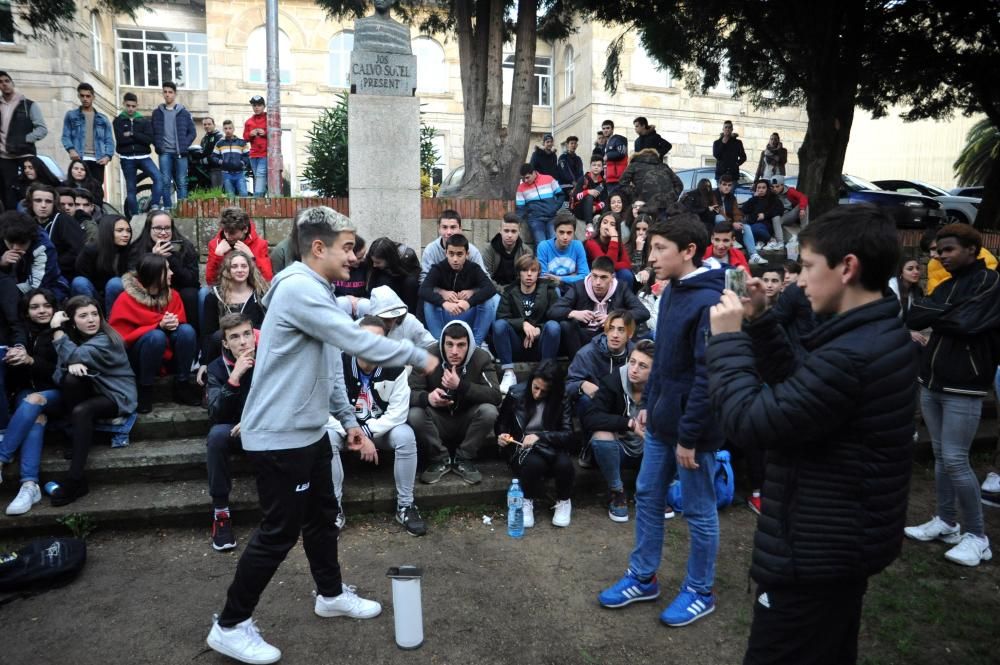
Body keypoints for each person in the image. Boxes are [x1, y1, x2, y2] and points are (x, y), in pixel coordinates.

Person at [205, 206, 436, 665]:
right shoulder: (296, 289)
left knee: (321, 517)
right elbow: (355, 341)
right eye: (347, 247)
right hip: (278, 436)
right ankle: (230, 625)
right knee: (278, 531)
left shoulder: (318, 292)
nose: (355, 257)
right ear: (318, 247)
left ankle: (330, 594)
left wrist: (350, 423)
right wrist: (419, 354)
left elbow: (331, 368)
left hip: (306, 432)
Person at [706, 203, 919, 663]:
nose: (799, 281)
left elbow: (749, 421)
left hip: (814, 556)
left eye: (806, 267)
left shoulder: (853, 354)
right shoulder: (875, 332)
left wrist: (727, 339)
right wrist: (761, 323)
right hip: (838, 548)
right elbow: (804, 393)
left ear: (847, 268)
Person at [597, 213, 724, 628]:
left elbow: (708, 377)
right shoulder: (671, 291)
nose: (650, 255)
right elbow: (664, 359)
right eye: (650, 247)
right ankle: (643, 577)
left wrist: (688, 437)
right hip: (662, 423)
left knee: (700, 511)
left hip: (693, 434)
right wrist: (649, 402)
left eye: (659, 249)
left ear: (688, 252)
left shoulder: (708, 302)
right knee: (649, 496)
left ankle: (700, 590)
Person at [904, 223, 996, 568]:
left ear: (972, 250)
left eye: (949, 250)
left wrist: (940, 314)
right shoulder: (950, 283)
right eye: (939, 251)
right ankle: (946, 521)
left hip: (965, 383)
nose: (942, 256)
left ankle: (977, 537)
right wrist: (949, 313)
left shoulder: (990, 283)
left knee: (957, 459)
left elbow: (968, 324)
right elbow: (915, 314)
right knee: (942, 456)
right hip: (932, 380)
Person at [329, 316, 427, 537]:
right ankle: (333, 508)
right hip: (342, 431)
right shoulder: (337, 364)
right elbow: (323, 411)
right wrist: (353, 432)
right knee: (325, 437)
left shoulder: (396, 367)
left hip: (379, 431)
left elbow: (397, 414)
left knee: (405, 435)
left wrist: (364, 434)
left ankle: (406, 505)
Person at [49, 295, 138, 506]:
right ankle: (79, 435)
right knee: (71, 380)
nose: (91, 320)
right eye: (83, 316)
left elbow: (74, 355)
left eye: (94, 314)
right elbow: (57, 377)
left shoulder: (106, 338)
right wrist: (69, 365)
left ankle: (75, 479)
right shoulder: (74, 340)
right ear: (72, 321)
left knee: (82, 410)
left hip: (118, 395)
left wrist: (56, 330)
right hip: (96, 389)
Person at [410, 320, 500, 486]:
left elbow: (495, 396)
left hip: (467, 419)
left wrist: (461, 386)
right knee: (414, 414)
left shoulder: (481, 358)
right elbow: (408, 394)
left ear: (470, 344)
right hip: (437, 419)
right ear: (442, 343)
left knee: (489, 411)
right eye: (449, 344)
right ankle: (439, 458)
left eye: (461, 345)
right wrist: (428, 398)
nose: (454, 351)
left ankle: (464, 458)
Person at [109, 254, 200, 413]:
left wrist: (173, 323)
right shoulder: (126, 299)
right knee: (155, 337)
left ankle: (182, 383)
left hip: (168, 354)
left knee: (187, 331)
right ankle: (145, 388)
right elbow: (120, 338)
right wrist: (158, 326)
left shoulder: (173, 295)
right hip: (139, 356)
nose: (172, 273)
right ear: (154, 273)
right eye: (167, 270)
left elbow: (181, 322)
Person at [496, 360, 576, 528]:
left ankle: (563, 501)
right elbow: (501, 423)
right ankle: (526, 501)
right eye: (535, 387)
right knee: (535, 464)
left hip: (550, 446)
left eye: (544, 391)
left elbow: (568, 434)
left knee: (565, 465)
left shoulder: (561, 398)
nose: (538, 394)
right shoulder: (515, 393)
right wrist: (502, 436)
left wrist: (540, 436)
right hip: (521, 446)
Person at [582, 339, 655, 522]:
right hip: (619, 447)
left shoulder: (662, 388)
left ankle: (650, 492)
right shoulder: (614, 380)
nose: (634, 369)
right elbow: (591, 418)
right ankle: (617, 492)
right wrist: (628, 423)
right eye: (632, 362)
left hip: (649, 448)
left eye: (642, 366)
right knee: (601, 436)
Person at [0, 289, 59, 515]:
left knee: (33, 400)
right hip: (27, 401)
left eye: (46, 305)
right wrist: (14, 360)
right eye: (35, 307)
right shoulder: (21, 335)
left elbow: (61, 374)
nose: (42, 310)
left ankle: (1, 458)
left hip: (58, 394)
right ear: (26, 312)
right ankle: (29, 485)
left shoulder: (62, 331)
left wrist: (31, 360)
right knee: (35, 415)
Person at [204, 312, 257, 551]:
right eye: (235, 337)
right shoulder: (216, 368)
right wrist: (234, 377)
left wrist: (253, 420)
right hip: (232, 431)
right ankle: (221, 513)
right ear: (225, 343)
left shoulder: (270, 359)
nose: (243, 341)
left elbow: (285, 400)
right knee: (216, 435)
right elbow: (216, 414)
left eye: (247, 334)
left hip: (265, 427)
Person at [549, 256, 649, 358]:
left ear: (612, 277)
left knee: (626, 324)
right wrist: (573, 313)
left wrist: (613, 317)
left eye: (603, 277)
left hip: (607, 336)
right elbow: (553, 310)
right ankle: (577, 362)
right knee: (566, 324)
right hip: (582, 336)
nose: (597, 282)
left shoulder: (621, 288)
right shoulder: (579, 287)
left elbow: (643, 312)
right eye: (594, 276)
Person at [493, 254, 561, 394]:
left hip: (541, 344)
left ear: (538, 273)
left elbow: (557, 316)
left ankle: (544, 374)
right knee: (499, 325)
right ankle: (509, 373)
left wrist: (538, 329)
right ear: (519, 273)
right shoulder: (510, 292)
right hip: (517, 343)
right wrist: (523, 324)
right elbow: (502, 316)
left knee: (553, 326)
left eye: (533, 270)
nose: (529, 274)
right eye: (525, 270)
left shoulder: (549, 291)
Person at [128, 210, 201, 330]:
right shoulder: (137, 248)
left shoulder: (185, 246)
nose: (163, 232)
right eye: (158, 228)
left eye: (167, 228)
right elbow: (133, 279)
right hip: (148, 292)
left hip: (177, 290)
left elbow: (192, 280)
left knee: (190, 293)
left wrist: (170, 258)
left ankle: (192, 336)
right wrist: (153, 258)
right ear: (149, 229)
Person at [419, 234, 496, 348]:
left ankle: (476, 345)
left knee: (489, 302)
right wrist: (443, 302)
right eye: (451, 254)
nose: (455, 259)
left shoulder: (474, 268)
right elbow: (423, 290)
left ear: (467, 254)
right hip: (446, 313)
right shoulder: (438, 268)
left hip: (466, 312)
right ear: (446, 253)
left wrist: (469, 302)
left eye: (459, 254)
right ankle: (441, 344)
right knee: (428, 302)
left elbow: (490, 288)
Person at [200, 250, 268, 367]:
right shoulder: (214, 297)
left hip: (255, 348)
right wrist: (205, 364)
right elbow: (208, 334)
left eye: (244, 266)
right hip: (224, 349)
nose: (240, 270)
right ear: (228, 271)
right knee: (217, 336)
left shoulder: (260, 295)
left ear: (249, 269)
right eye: (234, 266)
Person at [566, 310, 636, 422]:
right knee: (584, 400)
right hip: (597, 408)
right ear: (606, 331)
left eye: (621, 330)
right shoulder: (587, 354)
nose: (615, 335)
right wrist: (582, 385)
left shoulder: (636, 356)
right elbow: (568, 386)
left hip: (627, 408)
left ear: (630, 334)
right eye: (611, 328)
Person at [0, 71, 49, 211]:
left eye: (6, 81)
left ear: (12, 83)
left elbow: (42, 129)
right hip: (4, 157)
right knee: (8, 193)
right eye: (1, 82)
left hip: (25, 155)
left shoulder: (28, 105)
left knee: (30, 190)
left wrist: (25, 139)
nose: (4, 84)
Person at [0, 210, 68, 300]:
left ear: (30, 239)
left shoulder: (43, 248)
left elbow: (35, 287)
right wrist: (1, 262)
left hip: (48, 290)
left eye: (22, 243)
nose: (15, 248)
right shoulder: (5, 233)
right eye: (11, 243)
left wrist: (6, 289)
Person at [114, 92, 162, 217]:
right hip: (127, 158)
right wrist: (139, 138)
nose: (130, 108)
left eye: (133, 106)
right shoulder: (118, 120)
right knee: (131, 189)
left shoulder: (144, 120)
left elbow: (148, 139)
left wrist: (131, 134)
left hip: (144, 157)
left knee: (158, 177)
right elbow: (121, 140)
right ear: (124, 104)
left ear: (137, 106)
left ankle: (154, 206)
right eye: (128, 105)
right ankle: (135, 216)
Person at [72, 214, 132, 312]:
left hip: (120, 298)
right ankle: (92, 315)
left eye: (128, 230)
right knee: (79, 282)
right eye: (120, 230)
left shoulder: (131, 251)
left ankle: (111, 321)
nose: (126, 234)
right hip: (94, 296)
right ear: (107, 231)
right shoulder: (91, 250)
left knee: (115, 283)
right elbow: (83, 278)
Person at [26, 183, 85, 281]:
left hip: (62, 277)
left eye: (48, 201)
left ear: (54, 204)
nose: (43, 205)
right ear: (30, 202)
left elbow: (77, 251)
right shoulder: (29, 223)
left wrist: (53, 264)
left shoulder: (64, 220)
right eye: (38, 200)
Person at [152, 82, 197, 208]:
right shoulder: (157, 113)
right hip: (164, 152)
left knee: (182, 182)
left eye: (170, 92)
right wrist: (158, 146)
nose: (167, 94)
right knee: (165, 182)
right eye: (165, 92)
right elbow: (153, 132)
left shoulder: (184, 112)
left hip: (180, 153)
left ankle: (183, 210)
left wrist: (184, 145)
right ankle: (168, 209)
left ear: (175, 94)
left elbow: (192, 132)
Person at [60, 83, 114, 188]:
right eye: (82, 96)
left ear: (93, 97)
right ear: (79, 96)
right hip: (80, 158)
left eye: (88, 96)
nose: (85, 99)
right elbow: (65, 136)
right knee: (78, 189)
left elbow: (109, 139)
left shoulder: (103, 119)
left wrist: (108, 156)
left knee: (97, 190)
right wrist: (71, 150)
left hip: (98, 160)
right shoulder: (71, 115)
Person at [206, 206, 274, 285]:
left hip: (251, 287)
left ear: (245, 229)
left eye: (232, 233)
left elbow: (267, 279)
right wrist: (217, 256)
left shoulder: (260, 245)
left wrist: (252, 258)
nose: (228, 236)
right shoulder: (215, 245)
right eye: (225, 231)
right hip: (224, 288)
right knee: (204, 293)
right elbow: (210, 281)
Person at [419, 210, 489, 283]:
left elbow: (486, 280)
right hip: (437, 292)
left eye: (453, 227)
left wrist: (472, 291)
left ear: (460, 229)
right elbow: (424, 280)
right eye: (444, 227)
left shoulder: (473, 251)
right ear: (439, 229)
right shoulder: (430, 250)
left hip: (466, 292)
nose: (449, 232)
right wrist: (440, 291)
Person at [363, 284, 434, 348]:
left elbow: (431, 345)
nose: (391, 323)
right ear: (375, 317)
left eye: (394, 318)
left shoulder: (410, 320)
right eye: (386, 319)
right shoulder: (364, 328)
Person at [365, 237, 420, 314]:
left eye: (378, 262)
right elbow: (371, 283)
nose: (374, 265)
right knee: (384, 281)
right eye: (373, 261)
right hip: (388, 283)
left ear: (389, 259)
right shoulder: (373, 263)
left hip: (405, 288)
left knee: (410, 283)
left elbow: (416, 277)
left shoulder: (408, 257)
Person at [537, 211, 590, 289]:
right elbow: (543, 277)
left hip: (572, 287)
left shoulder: (577, 245)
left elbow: (585, 275)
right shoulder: (544, 246)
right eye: (561, 232)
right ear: (555, 231)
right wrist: (573, 276)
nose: (565, 237)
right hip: (552, 288)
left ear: (574, 233)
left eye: (569, 233)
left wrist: (560, 279)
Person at [516, 163, 565, 243]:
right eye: (523, 178)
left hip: (551, 217)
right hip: (535, 219)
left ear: (534, 172)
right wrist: (516, 222)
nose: (525, 180)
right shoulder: (521, 188)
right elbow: (520, 208)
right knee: (540, 242)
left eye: (527, 177)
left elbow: (561, 195)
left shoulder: (549, 179)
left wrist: (554, 208)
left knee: (554, 241)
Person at [481, 212, 532, 289]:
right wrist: (502, 291)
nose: (510, 235)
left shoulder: (526, 251)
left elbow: (528, 277)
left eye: (513, 231)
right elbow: (485, 276)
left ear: (519, 231)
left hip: (518, 291)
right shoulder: (489, 250)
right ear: (500, 230)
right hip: (494, 291)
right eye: (506, 231)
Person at [619, 148, 683, 207]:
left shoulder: (634, 165)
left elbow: (622, 183)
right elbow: (679, 185)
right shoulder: (664, 167)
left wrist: (636, 197)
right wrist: (671, 197)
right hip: (666, 205)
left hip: (644, 205)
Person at [585, 212, 634, 287]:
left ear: (616, 229)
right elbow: (604, 266)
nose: (607, 227)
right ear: (600, 225)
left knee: (626, 274)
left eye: (612, 224)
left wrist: (613, 265)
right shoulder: (591, 242)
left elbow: (627, 264)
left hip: (611, 273)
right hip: (596, 275)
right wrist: (614, 237)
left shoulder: (617, 243)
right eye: (605, 223)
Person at [767, 175, 809, 251]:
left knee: (804, 205)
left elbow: (803, 197)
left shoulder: (790, 191)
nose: (775, 189)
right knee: (775, 217)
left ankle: (804, 232)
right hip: (780, 217)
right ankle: (780, 243)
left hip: (790, 214)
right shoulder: (770, 193)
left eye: (777, 186)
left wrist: (802, 209)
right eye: (772, 187)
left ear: (782, 185)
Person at [740, 179, 782, 249]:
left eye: (763, 188)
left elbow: (779, 210)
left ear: (767, 189)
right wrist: (754, 198)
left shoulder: (773, 198)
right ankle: (761, 241)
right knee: (747, 229)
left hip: (766, 224)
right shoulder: (754, 199)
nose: (761, 190)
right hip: (753, 223)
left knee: (755, 228)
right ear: (756, 189)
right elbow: (744, 209)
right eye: (759, 188)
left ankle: (771, 240)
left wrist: (765, 215)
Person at [213, 120, 250, 198]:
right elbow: (213, 156)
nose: (228, 130)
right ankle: (232, 210)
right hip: (226, 174)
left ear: (233, 129)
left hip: (240, 173)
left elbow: (247, 156)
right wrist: (222, 162)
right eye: (225, 128)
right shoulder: (219, 143)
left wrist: (242, 163)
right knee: (230, 197)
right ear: (223, 130)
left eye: (230, 128)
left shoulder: (242, 142)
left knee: (244, 195)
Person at [571, 154, 609, 228]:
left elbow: (605, 200)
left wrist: (596, 208)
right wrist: (587, 192)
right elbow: (575, 197)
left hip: (594, 210)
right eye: (594, 165)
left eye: (598, 165)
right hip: (580, 209)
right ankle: (589, 225)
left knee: (610, 201)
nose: (596, 167)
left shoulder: (602, 183)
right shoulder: (583, 179)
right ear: (590, 166)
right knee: (589, 196)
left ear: (602, 168)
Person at [243, 96, 268, 197]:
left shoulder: (269, 118)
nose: (256, 107)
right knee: (258, 177)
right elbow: (244, 137)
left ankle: (257, 198)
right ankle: (262, 197)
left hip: (265, 154)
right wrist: (250, 134)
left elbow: (277, 133)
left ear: (264, 106)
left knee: (260, 175)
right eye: (254, 105)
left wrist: (265, 132)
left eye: (259, 105)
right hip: (253, 155)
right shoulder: (249, 121)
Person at [888, 257, 923, 323]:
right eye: (910, 269)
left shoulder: (915, 290)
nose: (916, 272)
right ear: (901, 272)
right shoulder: (891, 289)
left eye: (917, 268)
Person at [600, 120, 629, 192]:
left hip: (619, 178)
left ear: (612, 129)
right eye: (603, 128)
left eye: (607, 128)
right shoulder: (606, 143)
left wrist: (608, 156)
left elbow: (622, 152)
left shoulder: (618, 139)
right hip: (610, 178)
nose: (605, 130)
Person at [200, 117, 224, 190]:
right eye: (205, 124)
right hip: (208, 169)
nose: (207, 126)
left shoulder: (219, 136)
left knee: (217, 192)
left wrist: (207, 159)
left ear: (214, 125)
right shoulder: (204, 138)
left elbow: (218, 153)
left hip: (218, 169)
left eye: (209, 124)